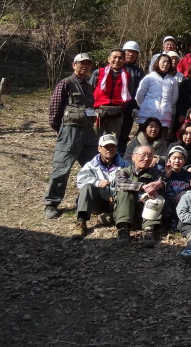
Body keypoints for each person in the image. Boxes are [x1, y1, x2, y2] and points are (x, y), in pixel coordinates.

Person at [44, 53, 97, 219]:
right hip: (70, 131)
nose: (85, 66)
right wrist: (61, 130)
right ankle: (51, 203)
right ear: (73, 65)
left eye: (88, 64)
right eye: (81, 63)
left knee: (94, 167)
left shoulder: (89, 86)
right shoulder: (65, 83)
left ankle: (86, 199)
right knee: (61, 169)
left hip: (88, 132)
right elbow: (54, 111)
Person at [72, 133, 130, 239]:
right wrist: (97, 182)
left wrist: (116, 193)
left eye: (112, 146)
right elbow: (81, 181)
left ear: (117, 148)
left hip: (118, 202)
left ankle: (123, 227)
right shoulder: (91, 165)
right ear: (99, 148)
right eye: (106, 147)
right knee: (87, 187)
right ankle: (81, 222)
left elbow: (131, 182)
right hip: (98, 201)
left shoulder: (125, 165)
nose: (109, 149)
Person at [113, 145, 165, 247]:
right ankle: (123, 229)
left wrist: (159, 185)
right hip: (126, 214)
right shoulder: (123, 171)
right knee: (124, 191)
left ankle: (148, 230)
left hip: (146, 214)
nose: (146, 158)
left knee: (155, 193)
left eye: (150, 156)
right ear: (133, 156)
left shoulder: (156, 173)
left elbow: (165, 182)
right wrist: (142, 186)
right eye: (143, 155)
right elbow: (120, 183)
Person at [90, 48, 133, 139]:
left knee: (112, 142)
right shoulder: (98, 73)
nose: (117, 60)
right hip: (98, 113)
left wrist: (121, 108)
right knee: (93, 140)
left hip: (117, 114)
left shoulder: (127, 76)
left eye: (120, 58)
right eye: (114, 57)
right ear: (109, 59)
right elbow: (90, 91)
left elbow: (130, 94)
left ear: (124, 60)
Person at [135, 54, 179, 133]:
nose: (166, 64)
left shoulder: (173, 81)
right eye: (163, 61)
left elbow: (174, 98)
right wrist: (145, 106)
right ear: (157, 62)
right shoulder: (149, 78)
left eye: (168, 62)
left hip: (164, 117)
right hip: (147, 116)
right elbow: (140, 95)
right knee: (143, 141)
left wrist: (166, 106)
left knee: (160, 142)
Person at [119, 41, 145, 151]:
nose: (130, 54)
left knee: (123, 136)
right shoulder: (115, 68)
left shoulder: (139, 72)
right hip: (112, 109)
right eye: (128, 52)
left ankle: (120, 159)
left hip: (128, 110)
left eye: (134, 52)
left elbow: (140, 92)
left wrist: (136, 107)